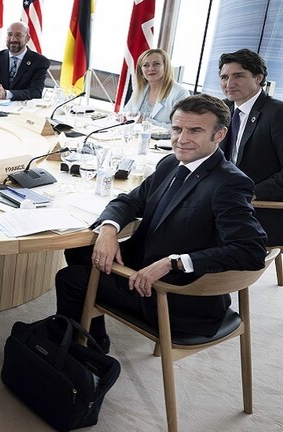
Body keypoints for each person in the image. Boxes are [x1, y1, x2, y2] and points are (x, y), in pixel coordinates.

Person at [56, 93, 267, 352]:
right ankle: (93, 341)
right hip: (145, 264)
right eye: (177, 129)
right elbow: (130, 201)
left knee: (71, 279)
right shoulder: (171, 162)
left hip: (178, 293)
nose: (182, 139)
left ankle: (75, 354)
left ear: (219, 135)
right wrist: (109, 229)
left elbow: (251, 251)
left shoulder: (230, 183)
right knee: (79, 250)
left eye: (195, 131)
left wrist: (174, 262)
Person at [218, 48, 283, 246]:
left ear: (258, 78)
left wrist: (252, 192)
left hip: (260, 209)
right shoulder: (221, 109)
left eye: (238, 76)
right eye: (224, 77)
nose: (229, 84)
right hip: (222, 200)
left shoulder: (277, 114)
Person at [0, 21, 49, 101]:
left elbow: (36, 92)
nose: (13, 39)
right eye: (9, 34)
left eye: (18, 35)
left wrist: (6, 94)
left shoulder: (40, 61)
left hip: (24, 107)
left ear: (27, 39)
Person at [122, 48, 190, 128]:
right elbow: (126, 111)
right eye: (146, 65)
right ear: (141, 70)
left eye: (156, 64)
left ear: (165, 67)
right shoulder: (140, 88)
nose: (151, 68)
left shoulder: (180, 93)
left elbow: (181, 127)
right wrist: (124, 117)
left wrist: (146, 122)